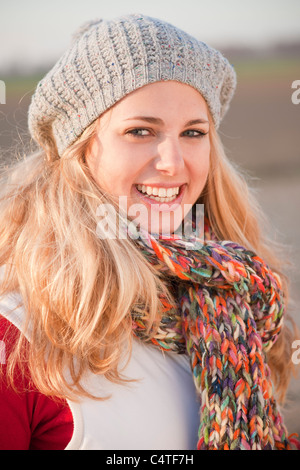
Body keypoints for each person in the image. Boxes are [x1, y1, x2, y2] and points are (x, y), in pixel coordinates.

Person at [0, 13, 298, 450]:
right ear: (78, 151)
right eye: (140, 131)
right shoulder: (18, 338)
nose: (173, 163)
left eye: (194, 132)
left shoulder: (238, 305)